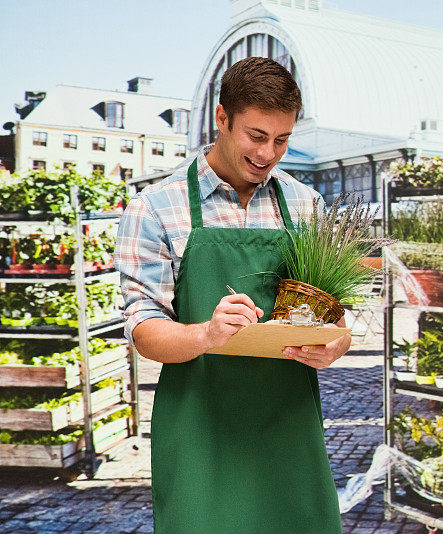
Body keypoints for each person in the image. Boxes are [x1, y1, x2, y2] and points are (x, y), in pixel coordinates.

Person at [114, 57, 349, 533]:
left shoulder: (305, 205)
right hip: (202, 433)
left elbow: (338, 321)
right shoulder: (156, 207)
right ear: (222, 119)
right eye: (256, 136)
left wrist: (332, 347)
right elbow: (144, 331)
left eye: (281, 140)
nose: (268, 154)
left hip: (289, 430)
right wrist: (206, 332)